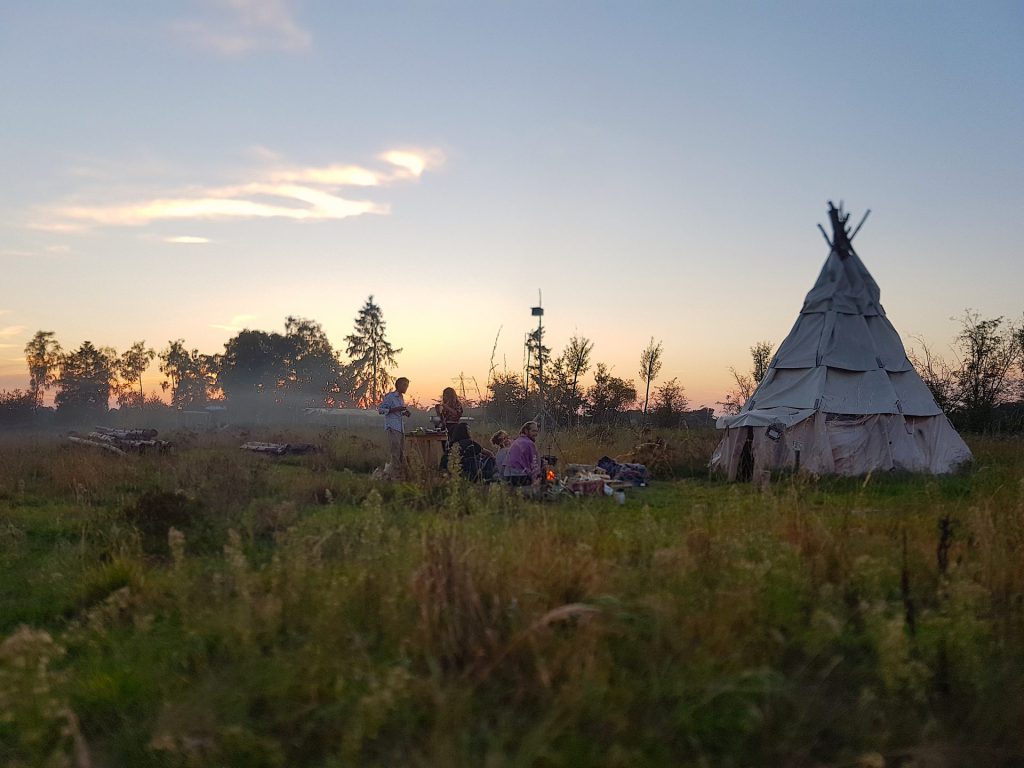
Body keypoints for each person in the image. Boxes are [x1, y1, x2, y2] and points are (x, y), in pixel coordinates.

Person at [378, 377, 411, 479]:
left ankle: (396, 473)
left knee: (401, 451)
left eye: (407, 385)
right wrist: (396, 409)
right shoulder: (390, 396)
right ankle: (394, 475)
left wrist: (404, 412)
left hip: (400, 427)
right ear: (398, 385)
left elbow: (398, 412)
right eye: (404, 385)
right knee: (395, 451)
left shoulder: (401, 398)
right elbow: (381, 410)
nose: (406, 387)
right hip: (392, 426)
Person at [505, 421, 540, 486]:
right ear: (526, 431)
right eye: (533, 431)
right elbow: (534, 464)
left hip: (508, 475)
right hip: (520, 476)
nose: (536, 433)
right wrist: (537, 477)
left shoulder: (517, 441)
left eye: (537, 431)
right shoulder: (529, 443)